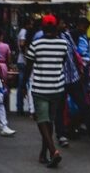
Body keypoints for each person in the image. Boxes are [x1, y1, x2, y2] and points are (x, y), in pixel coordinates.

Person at [25, 14, 69, 168]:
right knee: (49, 121)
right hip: (57, 89)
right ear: (56, 27)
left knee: (42, 121)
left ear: (42, 28)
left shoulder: (36, 45)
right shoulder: (63, 44)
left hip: (40, 88)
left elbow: (28, 66)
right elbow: (63, 62)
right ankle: (44, 153)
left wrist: (24, 85)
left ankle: (53, 151)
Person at [0, 28, 17, 137]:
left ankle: (0, 123)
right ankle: (2, 125)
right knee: (1, 95)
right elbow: (8, 59)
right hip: (2, 68)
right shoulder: (5, 46)